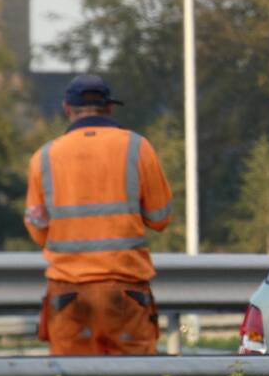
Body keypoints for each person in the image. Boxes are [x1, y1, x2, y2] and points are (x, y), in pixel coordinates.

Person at [23, 74, 172, 355]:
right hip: (125, 288)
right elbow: (160, 218)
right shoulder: (138, 148)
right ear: (110, 108)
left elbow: (38, 230)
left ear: (67, 108)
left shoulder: (43, 157)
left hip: (68, 292)